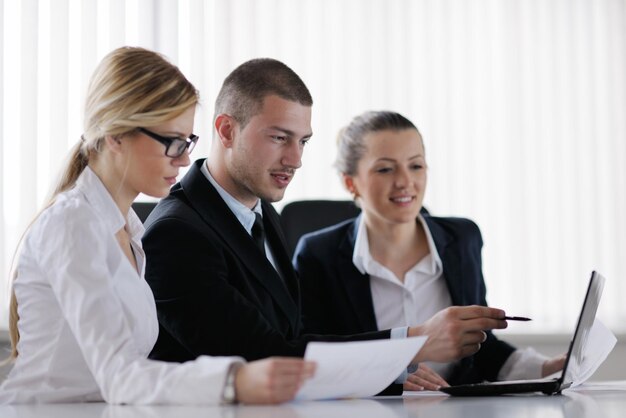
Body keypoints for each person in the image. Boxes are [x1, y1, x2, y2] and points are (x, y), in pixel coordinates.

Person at [142, 58, 510, 394]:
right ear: (225, 131)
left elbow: (297, 336)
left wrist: (394, 374)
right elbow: (265, 356)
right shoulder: (176, 233)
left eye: (302, 141)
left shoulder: (262, 214)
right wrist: (414, 340)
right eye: (279, 137)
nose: (295, 159)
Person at [0, 47, 315, 405]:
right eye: (172, 142)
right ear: (116, 135)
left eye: (188, 142)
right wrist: (235, 379)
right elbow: (121, 376)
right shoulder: (72, 224)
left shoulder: (128, 229)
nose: (184, 159)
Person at [292, 110, 566, 389]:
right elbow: (316, 358)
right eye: (385, 169)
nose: (405, 182)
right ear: (351, 182)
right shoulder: (318, 254)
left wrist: (545, 367)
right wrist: (396, 374)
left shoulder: (462, 239)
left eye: (416, 166)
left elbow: (482, 346)